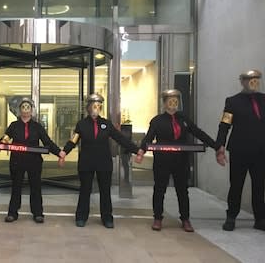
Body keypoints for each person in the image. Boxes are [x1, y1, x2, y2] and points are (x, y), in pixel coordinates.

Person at [136, 89, 220, 232]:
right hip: (162, 161)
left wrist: (216, 146)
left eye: (175, 101)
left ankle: (185, 219)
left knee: (182, 190)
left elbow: (198, 133)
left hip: (181, 161)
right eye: (170, 101)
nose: (173, 104)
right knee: (159, 189)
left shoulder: (184, 119)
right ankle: (157, 218)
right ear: (164, 103)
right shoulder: (157, 121)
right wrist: (141, 151)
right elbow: (148, 138)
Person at [62, 93, 139, 228]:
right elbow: (73, 140)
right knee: (85, 190)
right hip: (86, 163)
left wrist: (137, 150)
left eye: (98, 106)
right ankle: (81, 217)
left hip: (104, 163)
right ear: (88, 107)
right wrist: (63, 153)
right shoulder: (81, 124)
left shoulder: (106, 124)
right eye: (93, 106)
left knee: (105, 191)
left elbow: (120, 139)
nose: (95, 109)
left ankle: (107, 218)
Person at [0, 98, 65, 224]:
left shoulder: (37, 127)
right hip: (17, 162)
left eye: (28, 107)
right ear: (20, 110)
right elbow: (4, 140)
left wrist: (59, 153)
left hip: (34, 162)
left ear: (31, 110)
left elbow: (47, 142)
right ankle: (12, 213)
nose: (25, 110)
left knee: (36, 187)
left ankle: (38, 213)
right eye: (23, 107)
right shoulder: (14, 126)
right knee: (16, 187)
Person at [216, 70, 265, 231]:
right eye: (250, 80)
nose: (253, 83)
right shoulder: (233, 102)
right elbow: (224, 125)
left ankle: (260, 218)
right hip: (239, 150)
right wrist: (220, 146)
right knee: (236, 185)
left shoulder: (264, 100)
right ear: (242, 81)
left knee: (259, 186)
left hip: (260, 151)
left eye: (256, 80)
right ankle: (231, 217)